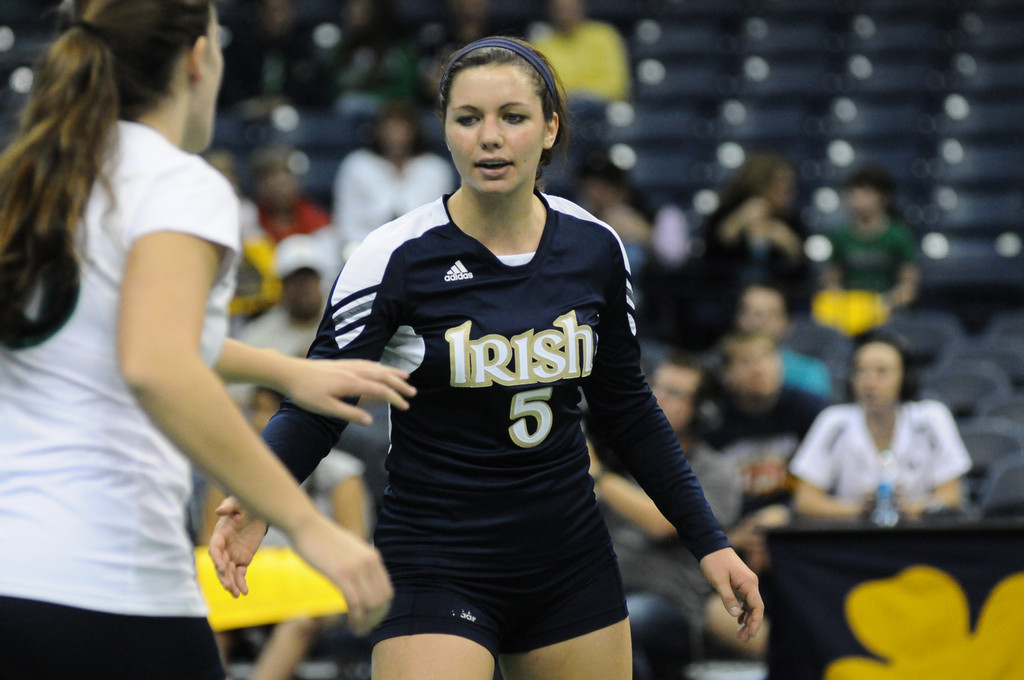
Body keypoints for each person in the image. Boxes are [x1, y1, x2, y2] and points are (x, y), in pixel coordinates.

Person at [210, 36, 762, 680]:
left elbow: (629, 410)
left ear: (550, 129)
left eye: (513, 117)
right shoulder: (393, 256)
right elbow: (319, 403)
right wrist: (258, 498)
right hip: (436, 561)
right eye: (468, 118)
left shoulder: (594, 247)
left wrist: (708, 541)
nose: (490, 137)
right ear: (445, 131)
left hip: (570, 560)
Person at [0, 2, 415, 678]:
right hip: (110, 584)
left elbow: (120, 332)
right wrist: (307, 525)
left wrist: (285, 372)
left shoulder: (37, 175)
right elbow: (157, 363)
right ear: (198, 58)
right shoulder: (180, 183)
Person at [588, 353, 743, 680]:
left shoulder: (717, 471)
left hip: (670, 602)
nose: (657, 397)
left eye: (674, 392)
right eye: (655, 386)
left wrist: (599, 474)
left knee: (615, 631)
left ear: (703, 411)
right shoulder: (624, 457)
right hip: (603, 590)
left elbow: (664, 523)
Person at [790, 331, 970, 520]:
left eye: (882, 372)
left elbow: (952, 497)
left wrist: (910, 509)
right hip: (853, 532)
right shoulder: (833, 421)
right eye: (861, 371)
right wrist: (859, 510)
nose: (870, 382)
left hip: (920, 531)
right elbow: (805, 501)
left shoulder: (932, 418)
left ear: (905, 378)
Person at [331, 102, 455, 263]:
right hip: (367, 254)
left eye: (402, 128)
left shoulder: (435, 168)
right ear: (378, 131)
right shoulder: (357, 165)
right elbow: (346, 223)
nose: (396, 136)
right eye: (390, 128)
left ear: (414, 131)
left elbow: (441, 221)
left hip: (423, 255)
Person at [821, 163, 920, 311]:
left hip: (889, 310)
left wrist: (885, 302)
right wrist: (844, 302)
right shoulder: (841, 236)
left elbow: (909, 285)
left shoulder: (898, 235)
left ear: (883, 198)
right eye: (853, 193)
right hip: (850, 310)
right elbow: (832, 281)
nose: (858, 199)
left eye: (866, 193)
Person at [218, 0, 331, 118]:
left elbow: (321, 98)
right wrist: (258, 105)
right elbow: (228, 94)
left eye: (284, 10)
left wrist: (286, 103)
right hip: (242, 121)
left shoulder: (304, 48)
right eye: (271, 11)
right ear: (259, 13)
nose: (278, 18)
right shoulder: (240, 47)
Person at [734, 281, 832, 400]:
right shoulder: (720, 365)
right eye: (751, 313)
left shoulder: (809, 373)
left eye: (769, 314)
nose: (758, 323)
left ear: (786, 322)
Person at [328, 0, 420, 114]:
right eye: (350, 9)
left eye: (360, 9)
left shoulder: (397, 51)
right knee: (347, 103)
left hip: (389, 113)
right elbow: (333, 87)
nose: (352, 14)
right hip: (350, 115)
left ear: (375, 12)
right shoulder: (344, 50)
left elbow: (407, 91)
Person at [529, 0, 630, 103]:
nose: (566, 15)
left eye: (570, 8)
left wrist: (584, 95)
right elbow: (542, 87)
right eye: (561, 9)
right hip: (561, 106)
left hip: (602, 104)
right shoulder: (543, 44)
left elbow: (616, 84)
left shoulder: (604, 36)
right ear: (551, 12)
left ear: (582, 8)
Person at [250, 144, 333, 245]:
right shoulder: (249, 219)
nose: (279, 192)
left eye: (283, 184)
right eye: (272, 186)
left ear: (296, 183)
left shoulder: (316, 220)